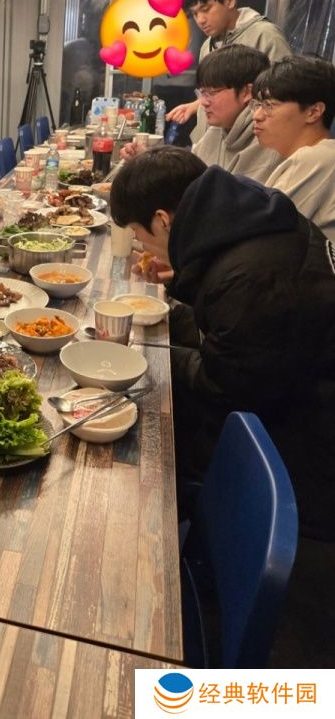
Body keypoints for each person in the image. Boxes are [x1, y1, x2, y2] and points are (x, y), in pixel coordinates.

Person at [110, 147, 335, 541]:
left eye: (136, 233)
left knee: (138, 453)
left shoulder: (248, 278)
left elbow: (223, 386)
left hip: (301, 449)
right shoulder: (246, 214)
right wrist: (177, 291)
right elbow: (235, 330)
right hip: (288, 386)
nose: (141, 247)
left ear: (162, 220)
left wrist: (147, 359)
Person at [167, 0, 292, 133]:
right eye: (195, 14)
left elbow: (284, 93)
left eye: (206, 9)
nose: (200, 20)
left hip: (251, 137)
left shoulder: (265, 35)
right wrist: (195, 106)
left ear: (229, 1)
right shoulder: (207, 46)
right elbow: (215, 94)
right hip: (212, 138)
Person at [252, 56, 335, 241]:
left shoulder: (317, 159)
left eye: (269, 105)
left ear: (313, 112)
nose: (256, 115)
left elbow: (261, 233)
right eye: (256, 105)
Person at [190, 44, 282, 181]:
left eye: (211, 92)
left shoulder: (269, 142)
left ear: (247, 92)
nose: (203, 102)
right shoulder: (214, 133)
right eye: (202, 92)